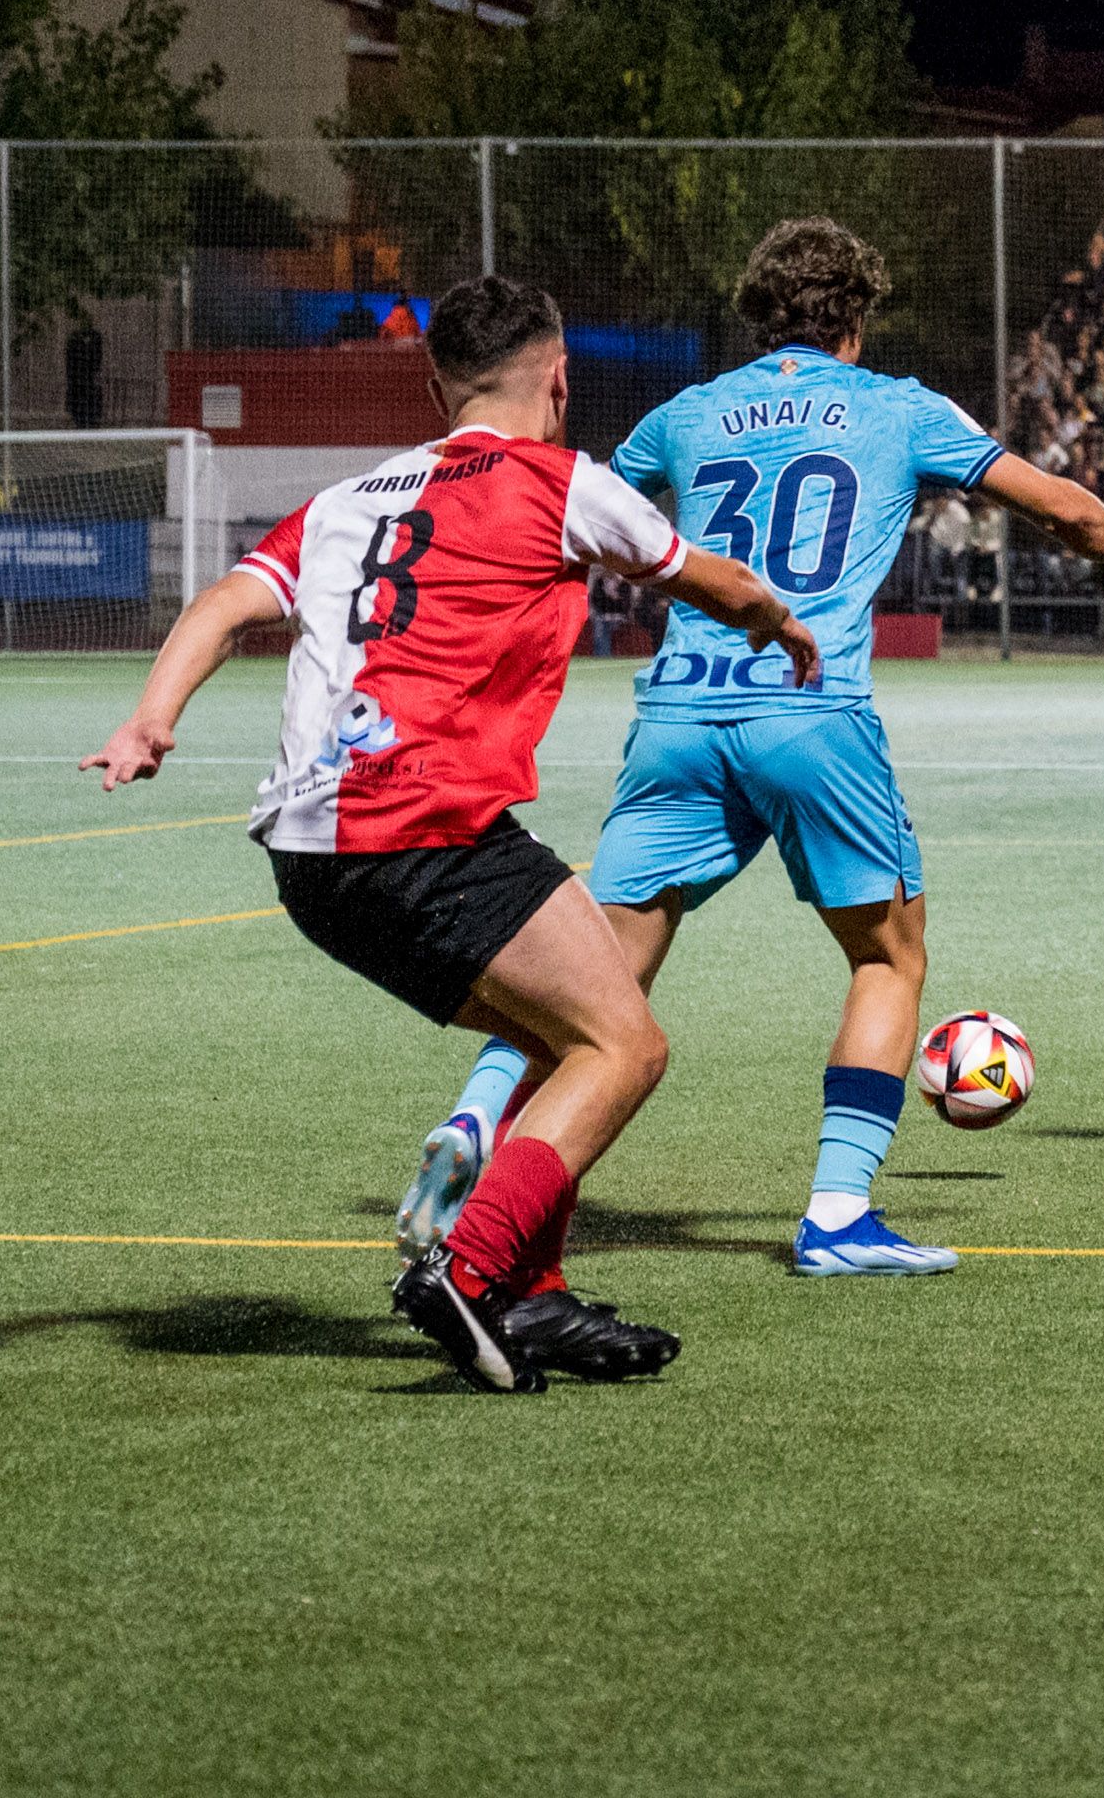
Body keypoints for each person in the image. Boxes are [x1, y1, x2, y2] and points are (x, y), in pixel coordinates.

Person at [401, 223, 1104, 1283]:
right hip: (811, 708)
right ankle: (839, 1215)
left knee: (591, 973)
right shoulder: (899, 405)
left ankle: (477, 1119)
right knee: (886, 956)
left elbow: (574, 519)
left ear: (762, 313)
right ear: (857, 315)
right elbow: (1057, 508)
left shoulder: (687, 413)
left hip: (677, 714)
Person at [83, 274, 806, 1390]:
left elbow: (227, 603)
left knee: (561, 1024)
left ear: (435, 384)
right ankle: (469, 1268)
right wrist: (782, 625)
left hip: (311, 860)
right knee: (626, 1045)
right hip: (421, 829)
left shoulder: (344, 498)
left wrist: (151, 716)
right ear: (559, 381)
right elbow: (706, 582)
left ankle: (538, 1295)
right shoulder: (564, 482)